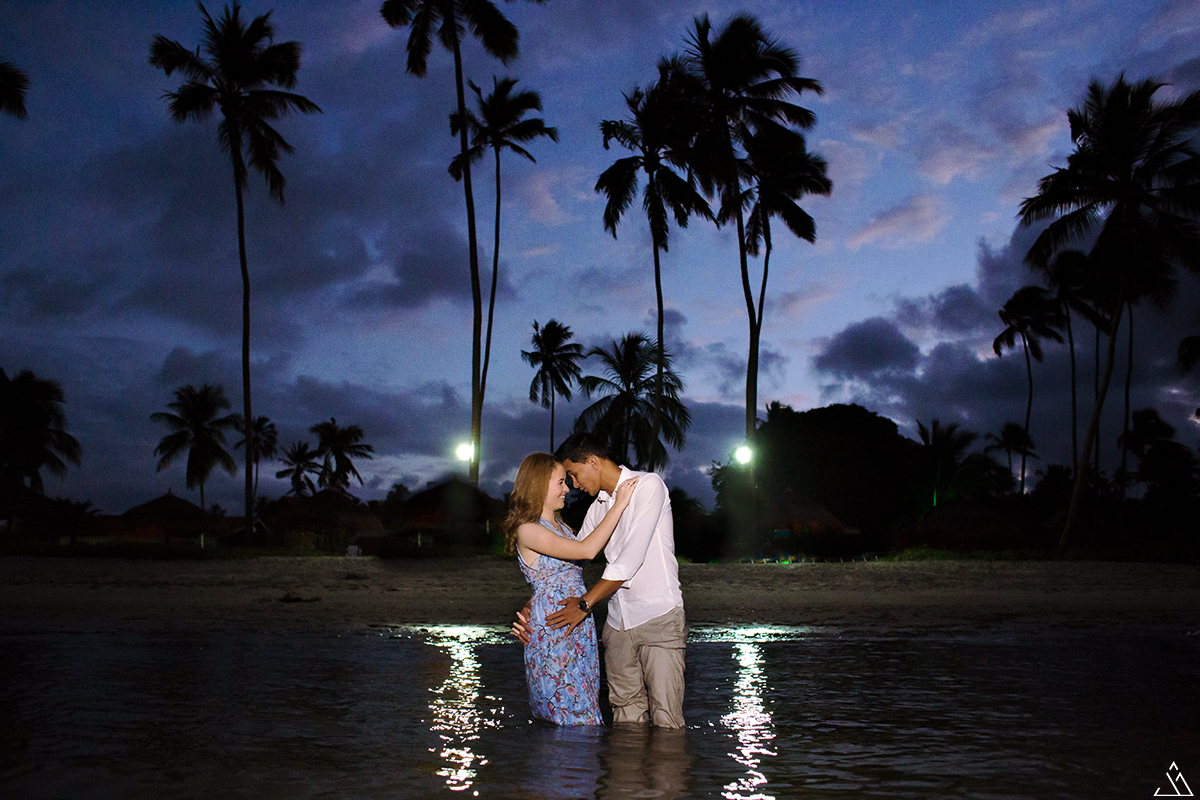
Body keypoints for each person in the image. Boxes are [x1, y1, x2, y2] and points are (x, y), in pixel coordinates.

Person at [515, 432, 686, 729]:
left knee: (666, 718)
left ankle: (666, 773)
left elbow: (628, 561)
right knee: (625, 717)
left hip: (658, 615)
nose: (574, 484)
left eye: (574, 474)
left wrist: (584, 603)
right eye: (566, 479)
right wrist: (535, 604)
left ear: (593, 462)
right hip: (618, 623)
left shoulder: (648, 486)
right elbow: (570, 560)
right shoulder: (599, 507)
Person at [505, 451, 640, 725]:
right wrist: (620, 504)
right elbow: (587, 550)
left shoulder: (562, 527)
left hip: (577, 626)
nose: (567, 488)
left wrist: (531, 603)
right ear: (539, 485)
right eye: (560, 482)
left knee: (586, 707)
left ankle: (579, 767)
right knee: (566, 712)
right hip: (554, 631)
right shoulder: (528, 529)